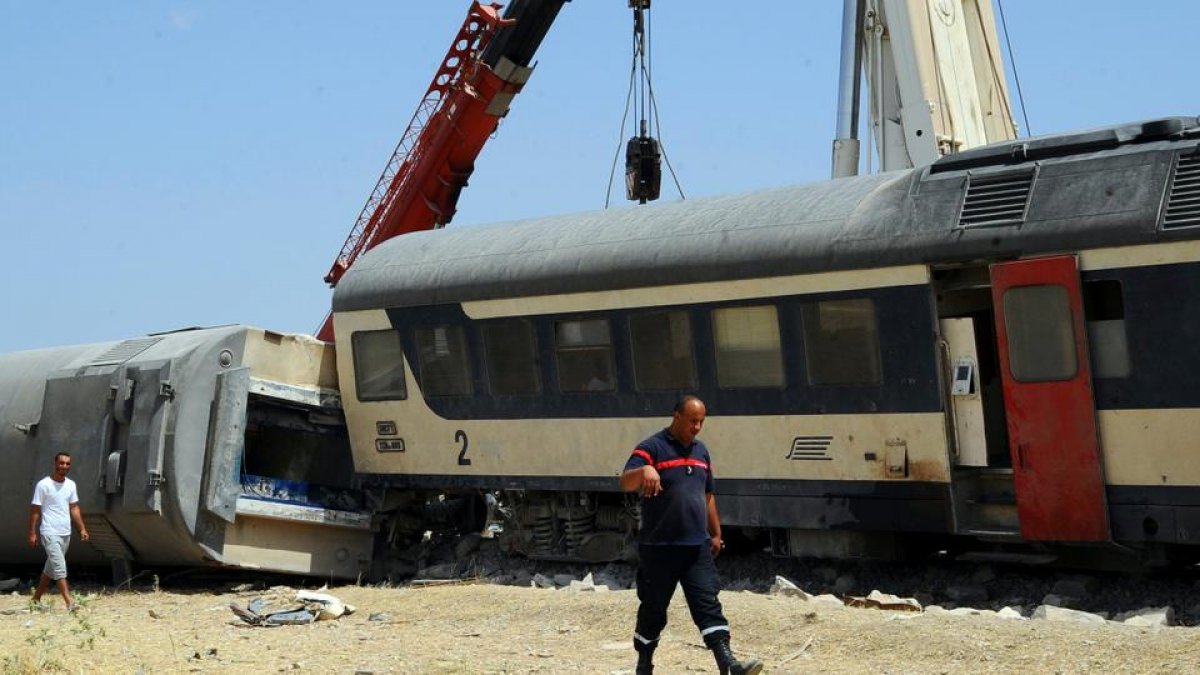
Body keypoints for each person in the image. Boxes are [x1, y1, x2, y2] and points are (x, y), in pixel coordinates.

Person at [619, 396, 762, 675]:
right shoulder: (652, 448)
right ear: (676, 416)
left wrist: (716, 533)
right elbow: (625, 481)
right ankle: (644, 663)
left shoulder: (701, 452)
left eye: (701, 422)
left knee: (708, 602)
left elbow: (707, 495)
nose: (697, 427)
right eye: (692, 421)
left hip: (696, 547)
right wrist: (645, 470)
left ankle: (729, 665)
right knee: (653, 609)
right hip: (659, 548)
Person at [29, 452, 89, 611]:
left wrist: (82, 528)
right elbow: (35, 509)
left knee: (50, 569)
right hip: (49, 532)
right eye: (61, 463)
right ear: (55, 463)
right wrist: (33, 532)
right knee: (60, 568)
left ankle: (35, 600)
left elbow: (74, 507)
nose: (64, 466)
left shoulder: (71, 485)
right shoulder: (43, 485)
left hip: (65, 533)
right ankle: (70, 603)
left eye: (67, 464)